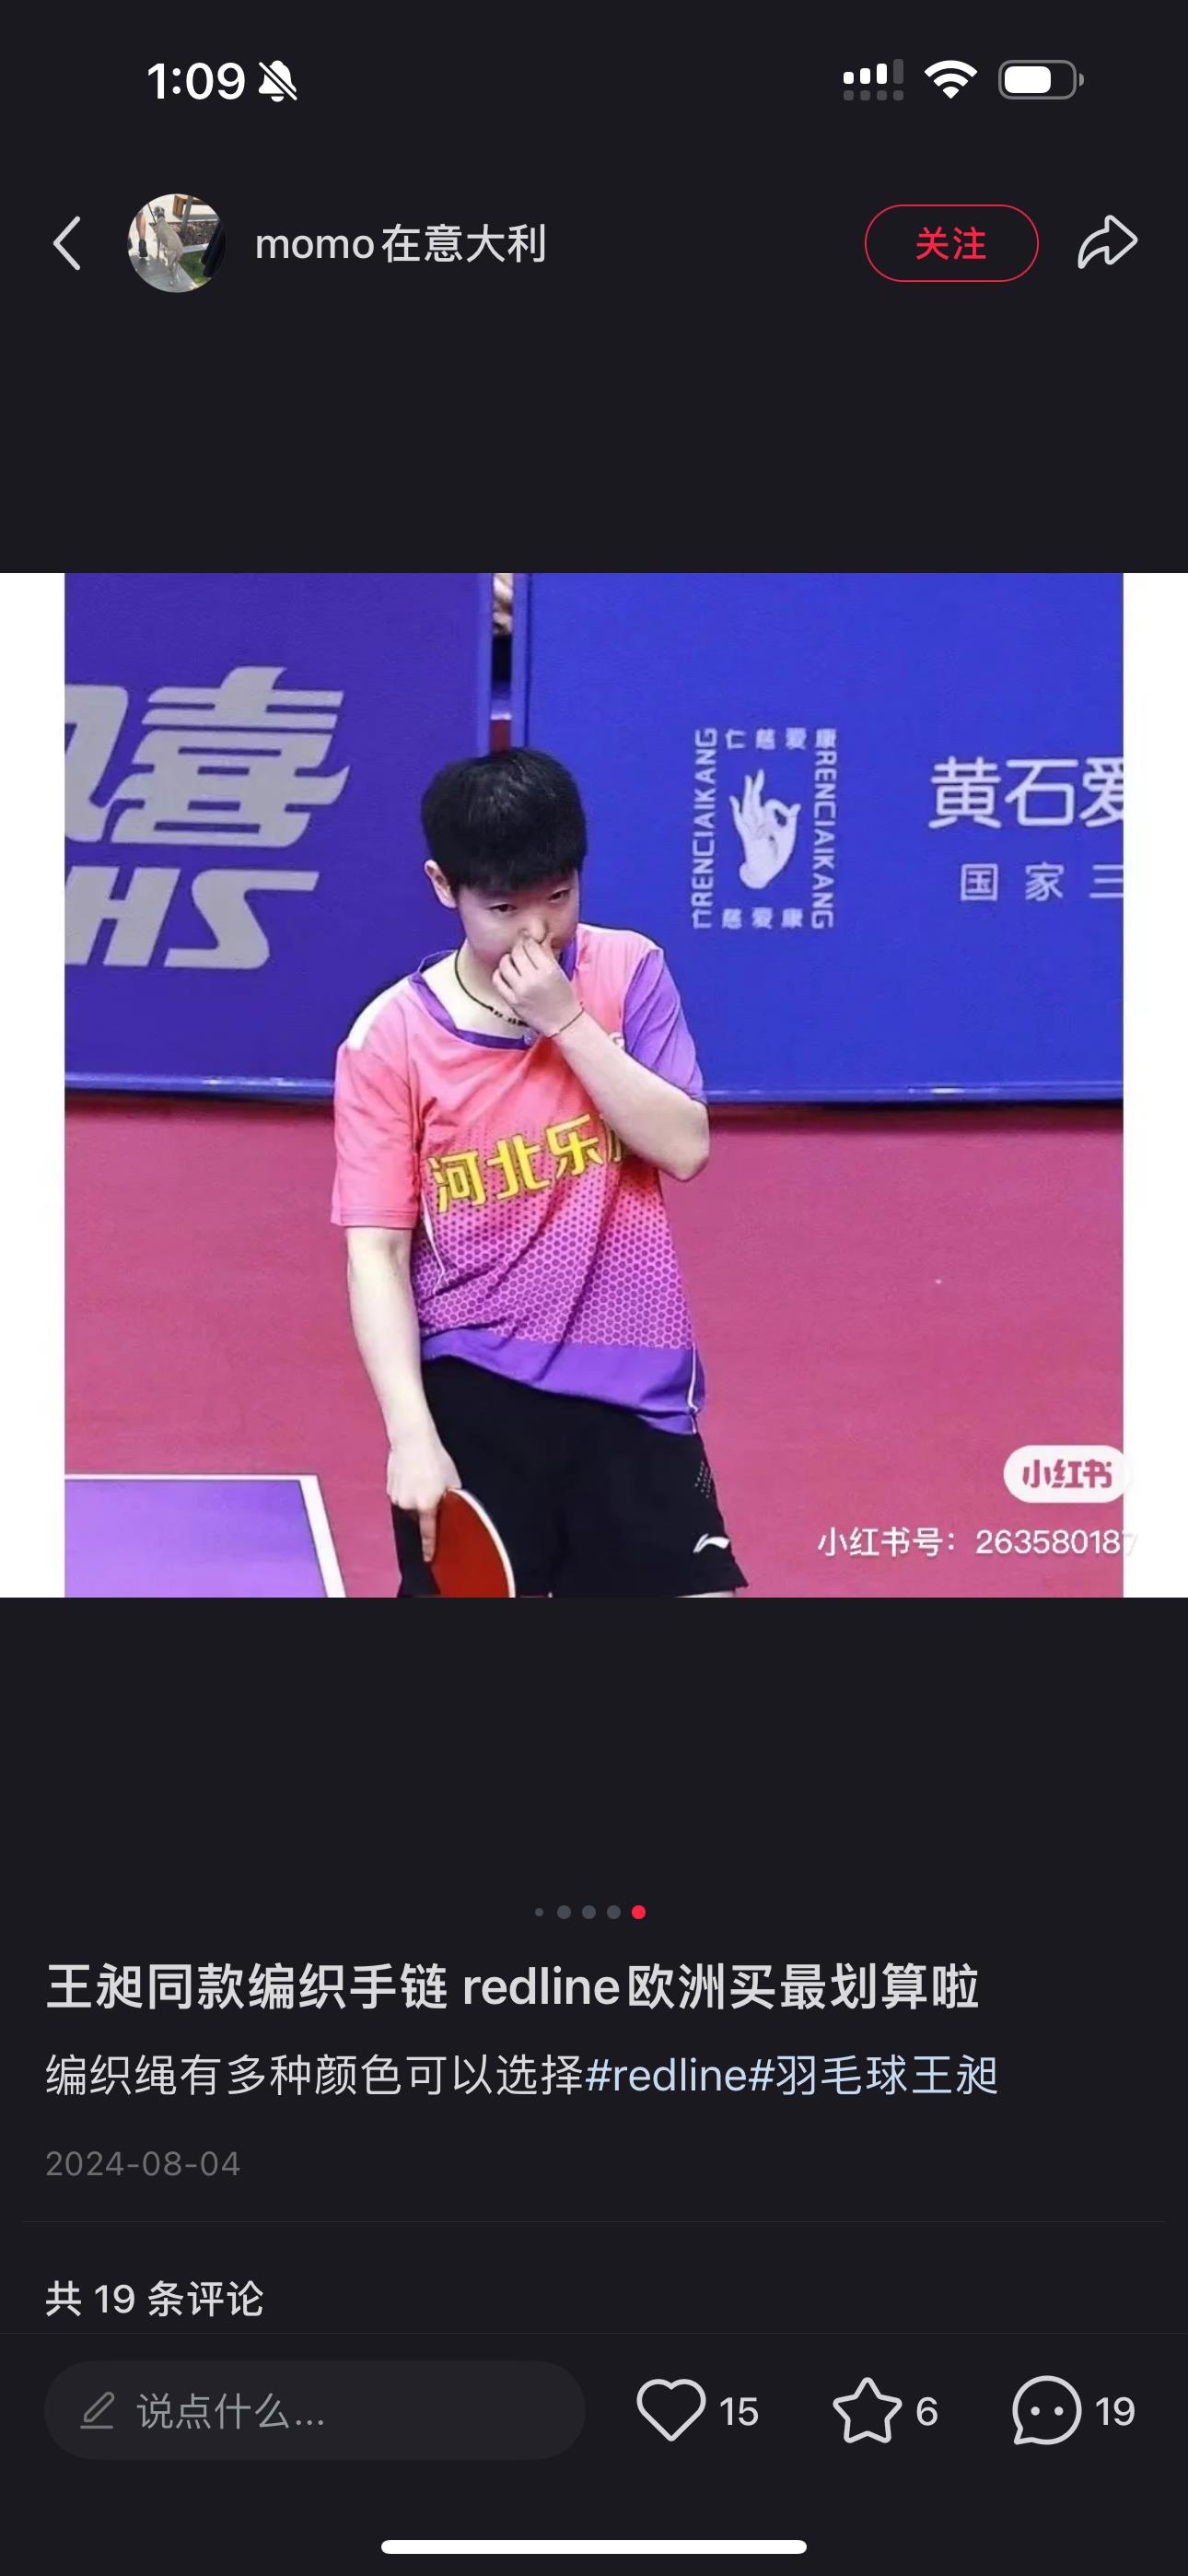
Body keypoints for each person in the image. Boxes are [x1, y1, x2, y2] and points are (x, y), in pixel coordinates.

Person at [332, 747, 746, 1598]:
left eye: (558, 897)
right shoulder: (392, 1038)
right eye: (503, 907)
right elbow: (377, 1252)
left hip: (637, 1388)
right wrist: (410, 1434)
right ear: (444, 887)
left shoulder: (629, 972)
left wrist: (568, 1023)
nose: (536, 931)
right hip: (475, 1387)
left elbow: (685, 1147)